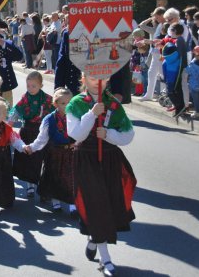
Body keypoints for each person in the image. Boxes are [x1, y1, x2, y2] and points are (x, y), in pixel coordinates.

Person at [67, 75, 136, 277]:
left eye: (103, 77)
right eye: (93, 76)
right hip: (86, 159)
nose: (99, 80)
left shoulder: (113, 103)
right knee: (96, 204)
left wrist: (108, 134)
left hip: (109, 158)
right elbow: (76, 134)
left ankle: (93, 238)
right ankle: (105, 259)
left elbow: (128, 134)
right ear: (84, 78)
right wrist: (91, 114)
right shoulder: (76, 103)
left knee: (110, 204)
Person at [25, 88, 77, 215]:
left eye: (69, 103)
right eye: (63, 103)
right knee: (54, 178)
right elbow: (42, 138)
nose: (67, 106)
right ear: (56, 104)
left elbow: (81, 133)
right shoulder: (49, 119)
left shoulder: (75, 116)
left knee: (72, 179)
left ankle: (73, 206)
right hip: (54, 153)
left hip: (71, 152)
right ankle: (56, 203)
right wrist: (32, 147)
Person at [9, 71, 54, 198]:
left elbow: (56, 112)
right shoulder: (25, 98)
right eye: (28, 85)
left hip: (42, 131)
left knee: (42, 159)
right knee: (28, 159)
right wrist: (10, 125)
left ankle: (43, 186)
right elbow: (16, 112)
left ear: (41, 85)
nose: (30, 88)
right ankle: (29, 186)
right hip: (27, 130)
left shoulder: (47, 99)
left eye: (34, 86)